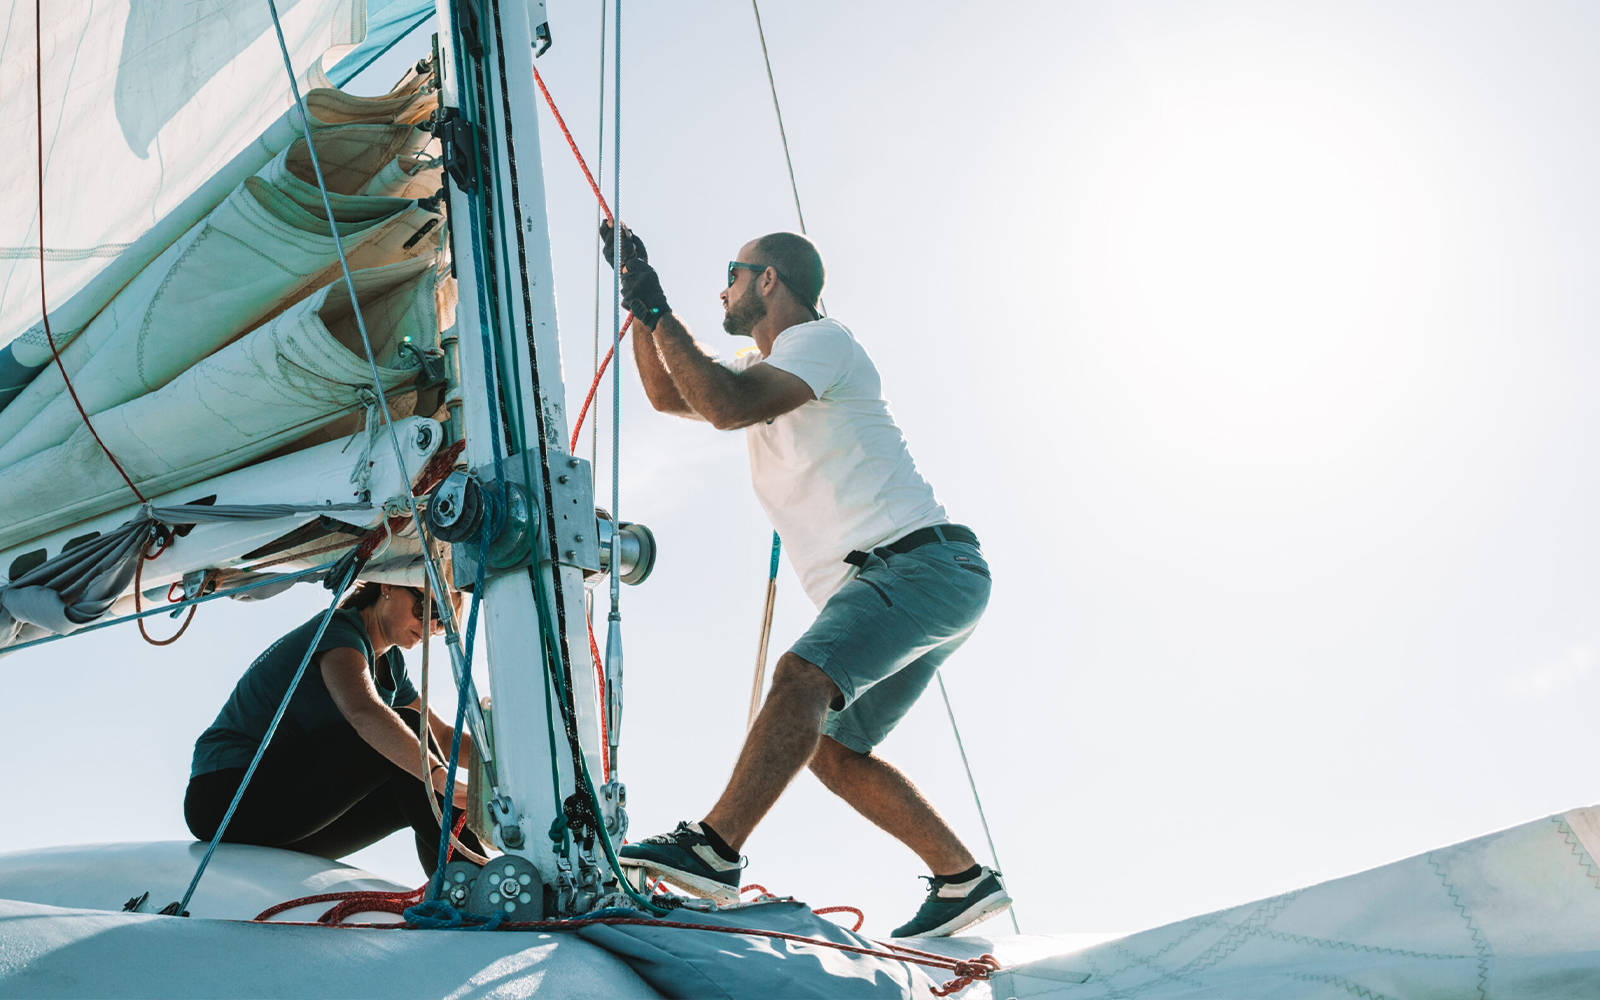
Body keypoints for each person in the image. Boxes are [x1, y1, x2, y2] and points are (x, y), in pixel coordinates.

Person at [603, 221, 1010, 938]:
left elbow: (724, 405)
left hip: (916, 565)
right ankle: (961, 881)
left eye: (734, 271)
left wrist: (660, 307)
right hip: (916, 579)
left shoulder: (821, 343)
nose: (722, 288)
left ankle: (714, 848)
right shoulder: (758, 364)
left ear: (769, 281)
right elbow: (674, 397)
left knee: (800, 678)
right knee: (831, 746)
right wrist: (643, 304)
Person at [184, 581, 483, 875]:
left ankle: (458, 890)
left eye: (440, 622)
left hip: (289, 821)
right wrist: (437, 776)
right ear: (388, 586)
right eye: (425, 608)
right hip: (225, 798)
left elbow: (443, 736)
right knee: (405, 732)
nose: (430, 627)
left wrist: (502, 766)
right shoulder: (337, 630)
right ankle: (483, 882)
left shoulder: (391, 663)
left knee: (406, 780)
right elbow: (363, 711)